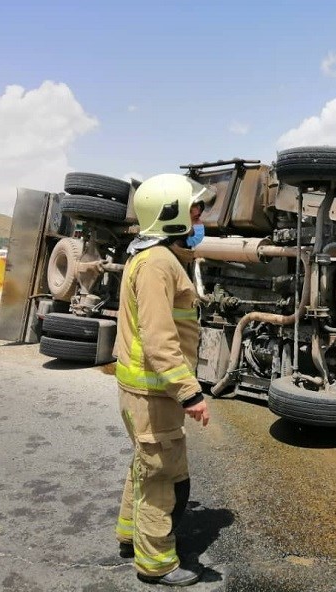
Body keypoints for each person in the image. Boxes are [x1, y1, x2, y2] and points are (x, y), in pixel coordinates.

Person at [114, 173, 213, 587]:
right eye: (195, 209)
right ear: (172, 215)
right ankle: (156, 564)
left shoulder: (150, 257)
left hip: (144, 391)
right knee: (162, 476)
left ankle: (127, 535)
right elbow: (159, 339)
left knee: (145, 461)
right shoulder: (157, 264)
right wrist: (190, 393)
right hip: (154, 394)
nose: (200, 216)